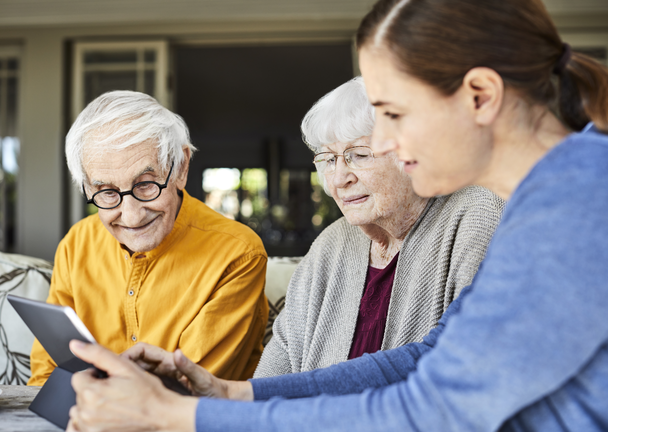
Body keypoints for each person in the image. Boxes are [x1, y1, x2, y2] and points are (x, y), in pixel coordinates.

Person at [65, 0, 608, 430]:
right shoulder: (554, 193)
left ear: (481, 96)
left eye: (393, 114)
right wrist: (236, 394)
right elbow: (426, 359)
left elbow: (434, 414)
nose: (387, 142)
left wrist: (174, 416)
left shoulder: (580, 204)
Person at [255, 76, 504, 378]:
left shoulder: (477, 215)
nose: (338, 178)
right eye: (328, 160)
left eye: (358, 155)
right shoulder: (330, 245)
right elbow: (279, 358)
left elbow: (469, 365)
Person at [27, 90, 269, 386]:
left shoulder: (236, 254)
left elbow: (193, 388)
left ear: (180, 167)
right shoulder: (77, 243)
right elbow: (47, 372)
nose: (130, 217)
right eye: (107, 192)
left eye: (145, 184)